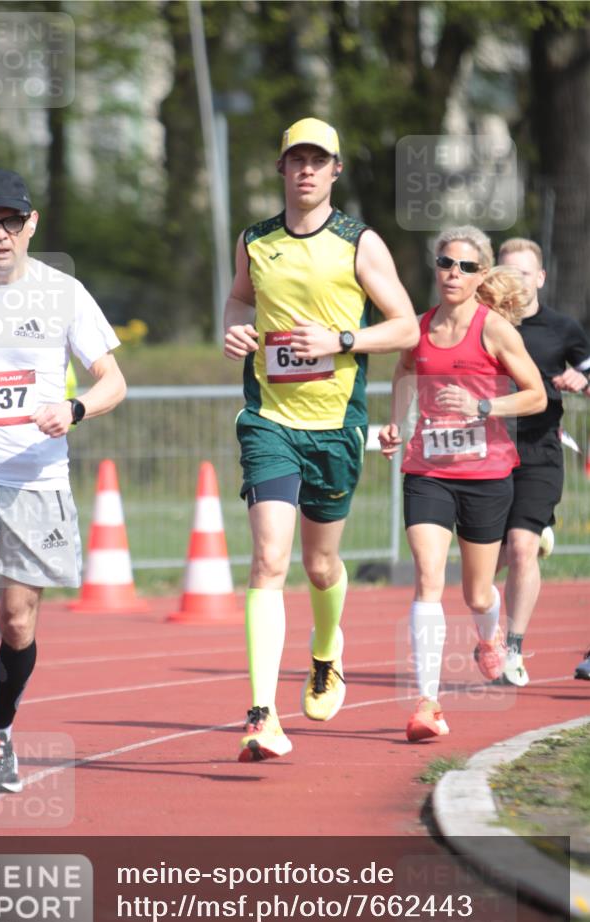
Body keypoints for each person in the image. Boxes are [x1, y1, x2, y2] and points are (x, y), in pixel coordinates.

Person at [0, 168, 126, 791]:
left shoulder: (63, 294)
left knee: (16, 620)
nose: (1, 234)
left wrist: (73, 409)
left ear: (31, 223)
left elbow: (113, 380)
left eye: (13, 221)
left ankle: (1, 734)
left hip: (36, 477)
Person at [223, 117, 419, 762]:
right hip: (270, 420)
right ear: (280, 169)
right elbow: (237, 302)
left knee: (320, 564)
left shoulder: (358, 242)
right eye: (295, 159)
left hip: (336, 425)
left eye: (319, 160)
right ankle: (259, 713)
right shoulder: (254, 241)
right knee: (269, 560)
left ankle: (327, 651)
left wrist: (339, 341)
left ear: (336, 170)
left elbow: (406, 328)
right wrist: (234, 332)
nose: (305, 170)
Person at [378, 225, 546, 741]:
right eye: (446, 263)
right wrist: (395, 424)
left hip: (486, 473)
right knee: (429, 578)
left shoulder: (494, 329)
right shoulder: (419, 327)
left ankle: (489, 635)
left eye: (466, 267)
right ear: (436, 268)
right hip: (426, 469)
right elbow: (404, 373)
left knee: (476, 595)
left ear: (481, 274)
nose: (454, 273)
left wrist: (483, 406)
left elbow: (535, 394)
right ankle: (428, 703)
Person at [495, 238, 590, 685]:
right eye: (506, 272)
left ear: (540, 278)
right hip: (486, 450)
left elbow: (588, 371)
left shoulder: (562, 328)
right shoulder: (486, 324)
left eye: (523, 273)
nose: (515, 281)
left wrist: (582, 378)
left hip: (540, 450)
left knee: (520, 547)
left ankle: (512, 648)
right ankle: (532, 540)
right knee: (486, 561)